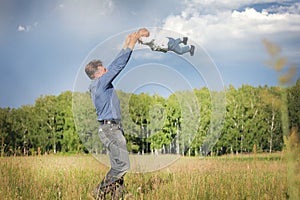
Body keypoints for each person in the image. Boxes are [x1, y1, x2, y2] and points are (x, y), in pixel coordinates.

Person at [85, 28, 149, 199]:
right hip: (111, 129)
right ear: (98, 73)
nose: (107, 71)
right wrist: (131, 45)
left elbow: (113, 64)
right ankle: (99, 192)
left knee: (117, 165)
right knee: (123, 166)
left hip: (108, 129)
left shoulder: (95, 85)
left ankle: (117, 196)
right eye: (104, 69)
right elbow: (117, 65)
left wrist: (127, 42)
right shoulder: (101, 83)